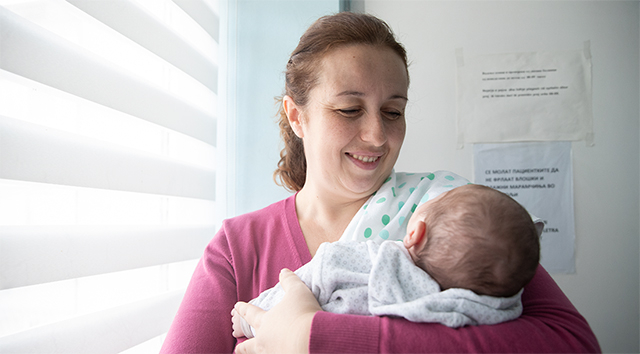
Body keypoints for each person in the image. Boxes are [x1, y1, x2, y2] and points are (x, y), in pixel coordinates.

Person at [161, 12, 601, 354]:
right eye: (349, 110)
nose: (377, 135)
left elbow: (571, 344)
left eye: (393, 111)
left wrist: (313, 337)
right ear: (298, 116)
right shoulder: (238, 248)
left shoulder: (449, 212)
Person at [232, 183, 541, 339]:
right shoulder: (480, 309)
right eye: (349, 109)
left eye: (393, 111)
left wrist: (249, 318)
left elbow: (301, 284)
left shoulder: (366, 258)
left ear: (415, 233)